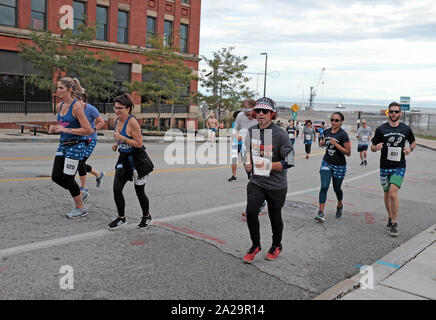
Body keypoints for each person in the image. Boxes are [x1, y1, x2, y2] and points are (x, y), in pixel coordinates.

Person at [242, 97, 294, 263]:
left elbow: (290, 161)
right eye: (258, 111)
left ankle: (276, 245)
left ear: (272, 114)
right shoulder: (251, 131)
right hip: (257, 182)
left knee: (274, 215)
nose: (261, 114)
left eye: (265, 111)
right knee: (251, 212)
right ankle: (255, 245)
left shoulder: (281, 134)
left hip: (276, 185)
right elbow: (246, 151)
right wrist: (247, 163)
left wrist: (268, 165)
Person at [48, 77, 92, 218]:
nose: (58, 91)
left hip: (77, 145)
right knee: (56, 176)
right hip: (63, 145)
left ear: (70, 89)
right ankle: (80, 194)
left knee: (68, 178)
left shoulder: (76, 106)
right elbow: (63, 125)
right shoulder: (60, 106)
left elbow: (88, 129)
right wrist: (54, 128)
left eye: (61, 88)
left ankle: (80, 208)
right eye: (57, 87)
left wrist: (67, 131)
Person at [108, 93, 153, 230]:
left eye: (120, 108)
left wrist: (122, 139)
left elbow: (139, 143)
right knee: (116, 189)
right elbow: (119, 137)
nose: (117, 110)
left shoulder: (132, 122)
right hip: (124, 159)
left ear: (128, 108)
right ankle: (121, 218)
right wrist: (117, 143)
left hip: (138, 161)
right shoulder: (117, 120)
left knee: (139, 191)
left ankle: (147, 216)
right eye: (115, 107)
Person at [371, 102, 416, 237]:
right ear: (388, 113)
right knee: (386, 194)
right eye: (391, 112)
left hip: (399, 166)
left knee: (392, 193)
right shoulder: (381, 129)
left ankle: (395, 222)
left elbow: (413, 142)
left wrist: (409, 149)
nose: (394, 114)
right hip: (384, 166)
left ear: (400, 113)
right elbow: (372, 147)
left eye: (396, 112)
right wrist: (377, 147)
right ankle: (390, 217)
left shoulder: (406, 129)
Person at [315, 112, 351, 222]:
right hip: (327, 162)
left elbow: (348, 152)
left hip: (339, 165)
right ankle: (321, 212)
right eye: (332, 120)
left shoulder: (343, 135)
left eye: (336, 120)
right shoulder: (326, 131)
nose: (333, 122)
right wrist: (322, 143)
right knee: (324, 186)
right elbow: (323, 144)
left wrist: (336, 144)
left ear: (341, 122)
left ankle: (340, 204)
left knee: (337, 188)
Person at [77, 96, 106, 201]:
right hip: (79, 139)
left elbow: (101, 122)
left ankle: (83, 189)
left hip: (90, 140)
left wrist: (93, 130)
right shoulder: (74, 109)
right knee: (79, 163)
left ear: (81, 99)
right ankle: (98, 175)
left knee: (80, 163)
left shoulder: (90, 108)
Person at [228, 99, 257, 182]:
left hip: (257, 144)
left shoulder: (259, 115)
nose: (248, 117)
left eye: (249, 115)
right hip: (245, 144)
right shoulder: (240, 115)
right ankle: (250, 177)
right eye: (246, 115)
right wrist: (237, 136)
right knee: (247, 163)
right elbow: (235, 129)